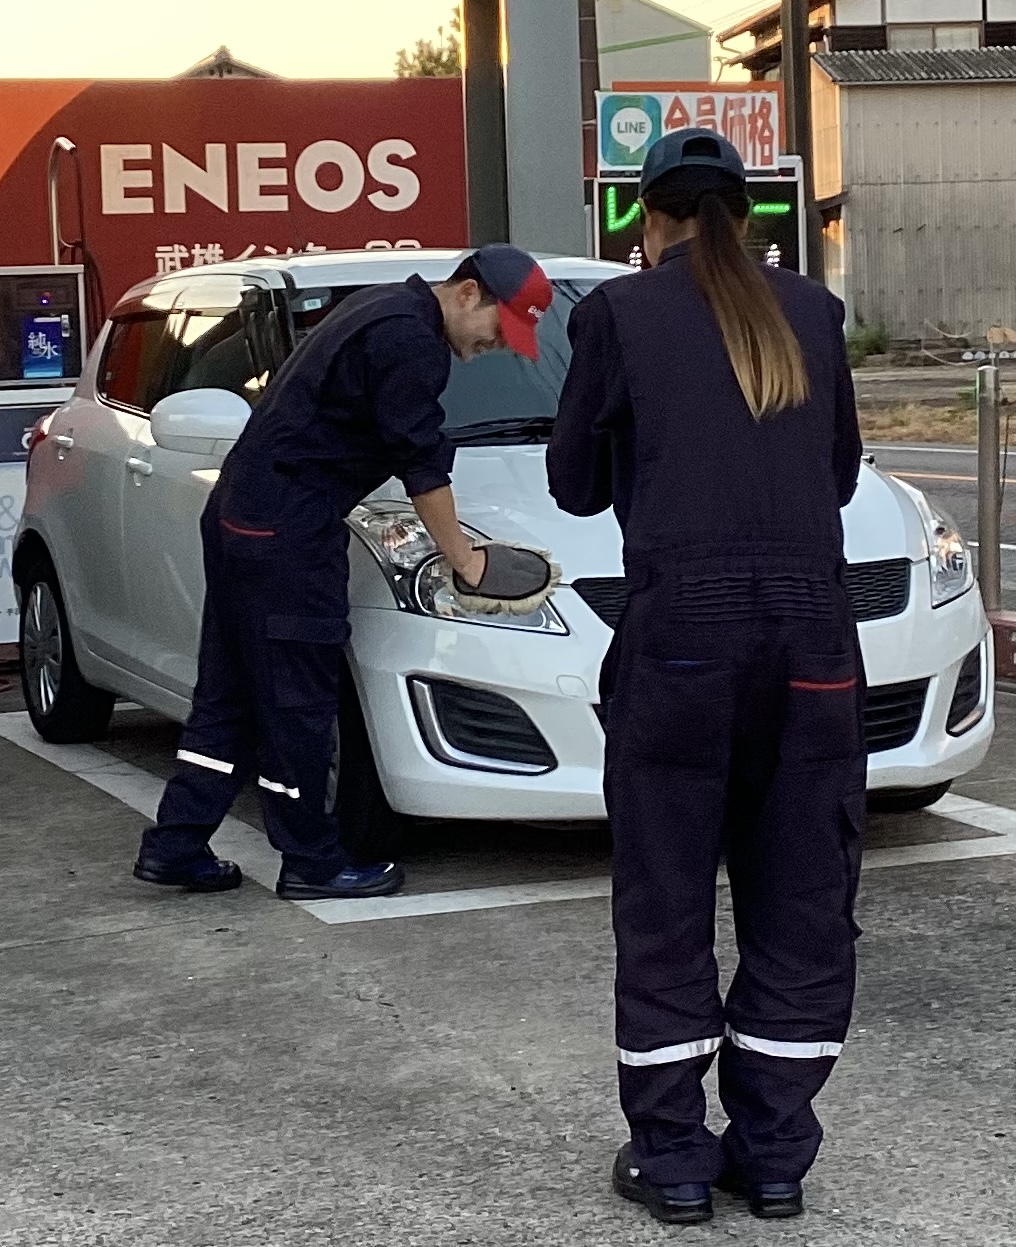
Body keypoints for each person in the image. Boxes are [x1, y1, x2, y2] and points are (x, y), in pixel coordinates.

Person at [547, 130, 866, 1224]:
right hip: (814, 634)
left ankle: (675, 1156)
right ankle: (774, 1151)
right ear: (749, 211)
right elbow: (836, 471)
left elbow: (576, 485)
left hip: (682, 629)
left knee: (667, 894)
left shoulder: (619, 314)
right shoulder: (811, 314)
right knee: (802, 892)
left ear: (650, 218)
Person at [134, 245, 554, 901]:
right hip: (288, 532)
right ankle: (312, 861)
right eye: (502, 329)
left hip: (243, 515)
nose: (500, 346)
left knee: (230, 694)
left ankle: (177, 842)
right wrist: (466, 561)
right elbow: (422, 465)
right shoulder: (412, 341)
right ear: (469, 294)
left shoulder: (380, 307)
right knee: (300, 703)